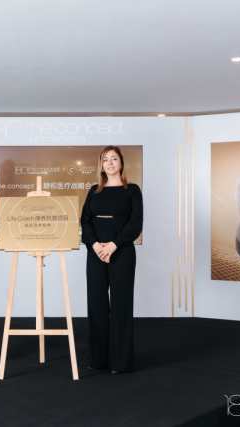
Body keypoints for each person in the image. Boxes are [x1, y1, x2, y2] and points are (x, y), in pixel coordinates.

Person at [80, 145, 143, 374]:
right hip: (96, 253)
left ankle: (121, 362)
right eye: (105, 159)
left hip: (122, 252)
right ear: (101, 165)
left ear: (121, 163)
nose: (110, 163)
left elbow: (135, 223)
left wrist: (114, 245)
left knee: (121, 305)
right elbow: (85, 221)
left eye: (114, 158)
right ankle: (99, 359)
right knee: (96, 304)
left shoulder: (132, 190)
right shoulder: (94, 191)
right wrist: (96, 245)